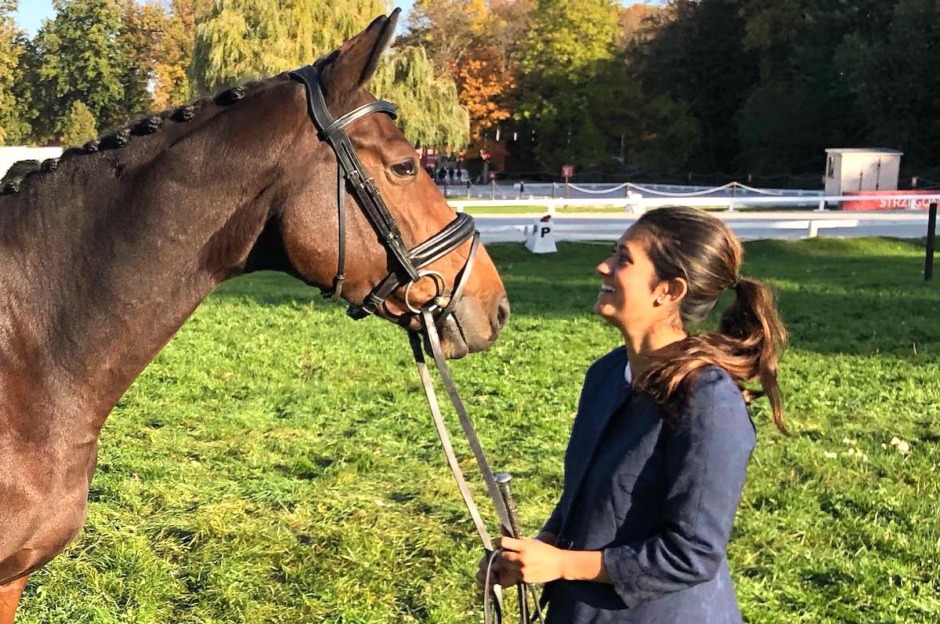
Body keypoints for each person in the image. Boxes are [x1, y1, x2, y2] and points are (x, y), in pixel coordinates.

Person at [477, 206, 787, 622]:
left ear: (669, 291)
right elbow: (585, 499)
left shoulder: (708, 403)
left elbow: (691, 555)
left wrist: (562, 564)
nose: (603, 266)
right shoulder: (607, 374)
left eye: (624, 259)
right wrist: (535, 550)